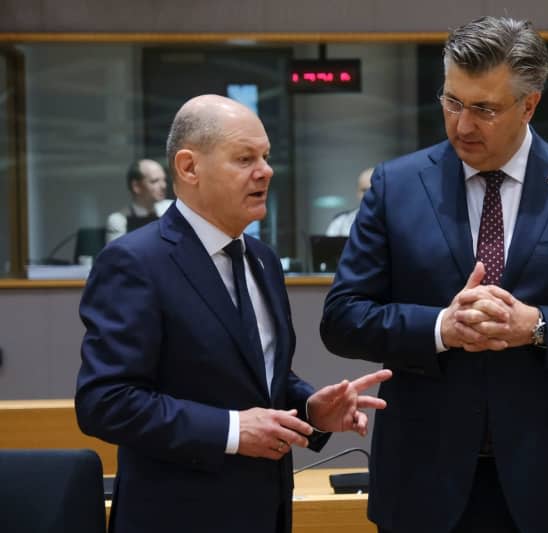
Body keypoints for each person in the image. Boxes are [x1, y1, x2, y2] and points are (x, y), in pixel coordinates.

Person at [320, 16, 548, 533]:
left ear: (530, 105)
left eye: (484, 109)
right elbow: (342, 318)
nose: (462, 125)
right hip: (422, 483)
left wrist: (537, 327)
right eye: (452, 101)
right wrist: (440, 329)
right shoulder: (398, 186)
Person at [76, 94, 392, 533]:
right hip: (176, 517)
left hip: (266, 512)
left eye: (265, 156)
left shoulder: (261, 259)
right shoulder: (135, 261)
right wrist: (230, 431)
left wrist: (309, 410)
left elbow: (255, 380)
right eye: (245, 158)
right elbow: (105, 402)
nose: (266, 171)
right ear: (189, 168)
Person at [106, 158, 172, 242]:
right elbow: (115, 254)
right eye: (154, 181)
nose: (163, 186)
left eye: (164, 180)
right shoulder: (119, 220)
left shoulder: (171, 208)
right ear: (136, 186)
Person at [324, 166, 373, 236]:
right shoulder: (340, 222)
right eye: (364, 190)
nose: (368, 195)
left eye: (373, 190)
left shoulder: (392, 222)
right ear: (358, 193)